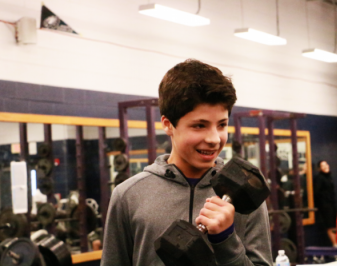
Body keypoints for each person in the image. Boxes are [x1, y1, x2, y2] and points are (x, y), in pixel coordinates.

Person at [100, 59, 273, 266]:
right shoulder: (128, 195)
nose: (214, 139)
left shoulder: (246, 197)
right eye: (199, 125)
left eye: (221, 125)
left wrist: (226, 241)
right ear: (168, 125)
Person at [313, 160, 337, 247]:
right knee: (329, 225)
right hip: (325, 206)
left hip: (331, 204)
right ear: (319, 168)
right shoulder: (319, 178)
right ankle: (335, 245)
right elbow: (317, 192)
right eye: (322, 165)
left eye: (326, 164)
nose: (325, 166)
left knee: (334, 225)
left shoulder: (329, 177)